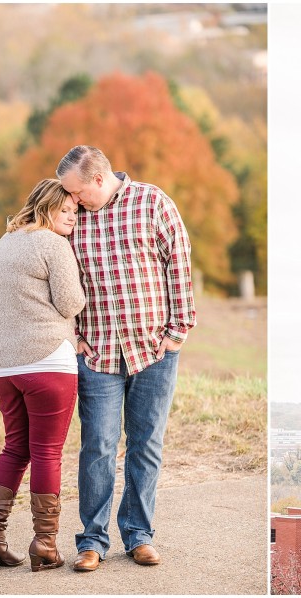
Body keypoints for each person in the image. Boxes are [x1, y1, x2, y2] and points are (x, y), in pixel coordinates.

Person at [56, 145, 196, 571]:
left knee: (146, 445)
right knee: (96, 446)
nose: (73, 201)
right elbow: (57, 275)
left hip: (153, 351)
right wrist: (72, 334)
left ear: (98, 179)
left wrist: (177, 331)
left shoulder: (153, 203)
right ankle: (92, 541)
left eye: (78, 192)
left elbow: (180, 265)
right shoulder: (73, 218)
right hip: (97, 352)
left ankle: (138, 535)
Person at [0, 179, 86, 572]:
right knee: (46, 451)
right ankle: (45, 543)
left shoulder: (5, 242)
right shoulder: (53, 244)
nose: (72, 217)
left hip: (5, 366)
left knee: (14, 448)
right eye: (65, 211)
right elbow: (70, 302)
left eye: (76, 211)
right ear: (45, 208)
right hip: (48, 361)